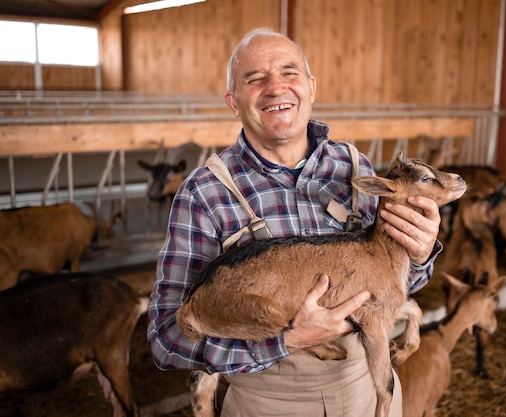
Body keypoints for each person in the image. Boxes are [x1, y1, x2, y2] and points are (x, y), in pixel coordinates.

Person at [147, 27, 443, 417]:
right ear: (233, 103)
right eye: (255, 79)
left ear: (310, 87)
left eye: (289, 72)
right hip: (267, 401)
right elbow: (166, 339)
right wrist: (284, 341)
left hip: (365, 391)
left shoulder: (356, 168)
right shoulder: (204, 193)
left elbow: (388, 291)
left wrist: (420, 256)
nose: (275, 88)